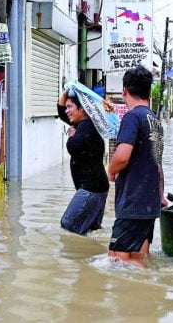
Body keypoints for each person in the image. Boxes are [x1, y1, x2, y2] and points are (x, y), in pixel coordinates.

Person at [107, 66, 165, 266]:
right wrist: (160, 195)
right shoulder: (155, 120)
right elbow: (158, 163)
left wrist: (110, 170)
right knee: (139, 258)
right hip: (150, 203)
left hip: (133, 201)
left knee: (117, 258)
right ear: (149, 93)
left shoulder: (132, 117)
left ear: (124, 91)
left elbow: (122, 156)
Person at [57, 89, 109, 235]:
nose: (67, 111)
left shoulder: (87, 126)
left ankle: (76, 256)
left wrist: (71, 135)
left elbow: (73, 146)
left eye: (70, 107)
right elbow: (61, 112)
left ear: (82, 109)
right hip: (97, 187)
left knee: (68, 224)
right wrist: (67, 91)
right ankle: (89, 257)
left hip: (92, 188)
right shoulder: (83, 123)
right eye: (67, 106)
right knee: (90, 231)